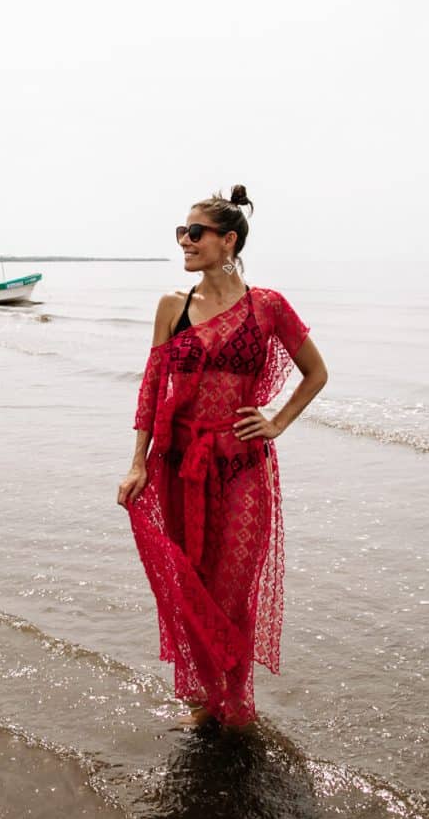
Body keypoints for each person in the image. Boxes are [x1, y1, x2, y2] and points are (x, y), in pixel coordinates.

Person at [117, 185, 327, 729]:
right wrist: (138, 462)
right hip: (178, 464)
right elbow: (151, 388)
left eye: (195, 232)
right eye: (181, 232)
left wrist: (276, 422)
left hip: (242, 467)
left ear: (228, 240)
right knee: (192, 584)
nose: (184, 241)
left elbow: (316, 373)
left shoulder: (268, 307)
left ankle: (235, 702)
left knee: (232, 589)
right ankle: (202, 699)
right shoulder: (173, 306)